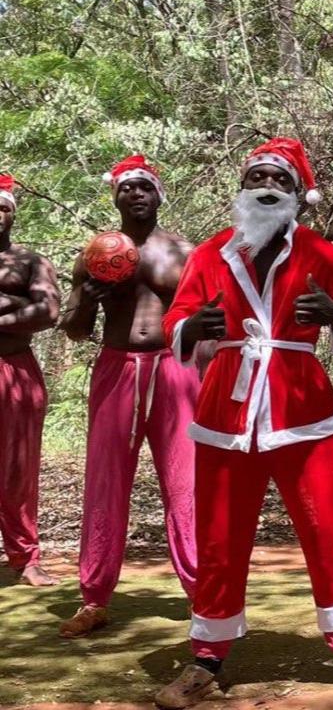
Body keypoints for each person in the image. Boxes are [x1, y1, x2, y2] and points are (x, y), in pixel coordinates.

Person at [155, 137, 333, 706]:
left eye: (280, 180)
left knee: (327, 530)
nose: (267, 186)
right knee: (219, 537)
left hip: (302, 409)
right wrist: (197, 327)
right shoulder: (211, 254)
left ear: (296, 195)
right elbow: (176, 323)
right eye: (257, 176)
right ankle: (207, 657)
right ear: (242, 190)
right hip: (227, 411)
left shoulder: (320, 254)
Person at [60, 156, 198, 637]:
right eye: (126, 189)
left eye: (144, 187)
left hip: (175, 369)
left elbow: (206, 324)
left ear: (159, 195)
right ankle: (94, 598)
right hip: (116, 367)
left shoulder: (185, 253)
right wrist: (88, 297)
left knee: (186, 482)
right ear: (115, 197)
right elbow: (76, 330)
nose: (136, 194)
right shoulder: (94, 254)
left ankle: (203, 594)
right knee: (105, 480)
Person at [0, 173, 60, 587]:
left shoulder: (31, 261)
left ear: (12, 214)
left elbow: (48, 312)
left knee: (18, 467)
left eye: (3, 206)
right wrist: (14, 302)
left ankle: (26, 558)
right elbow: (30, 306)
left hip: (15, 369)